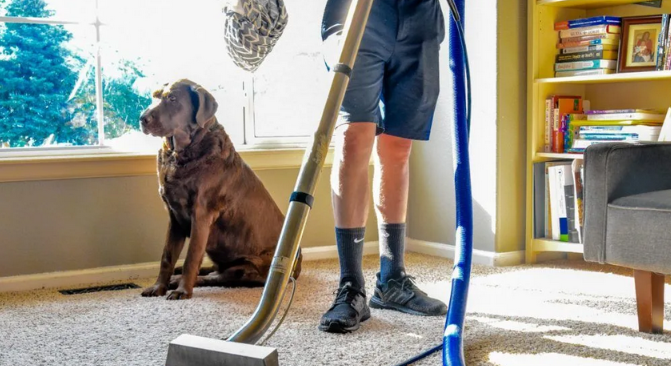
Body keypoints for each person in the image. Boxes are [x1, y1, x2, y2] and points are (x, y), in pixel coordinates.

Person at [318, 0, 448, 334]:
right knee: (354, 137)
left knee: (398, 147)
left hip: (421, 14)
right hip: (359, 10)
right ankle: (351, 286)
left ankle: (392, 281)